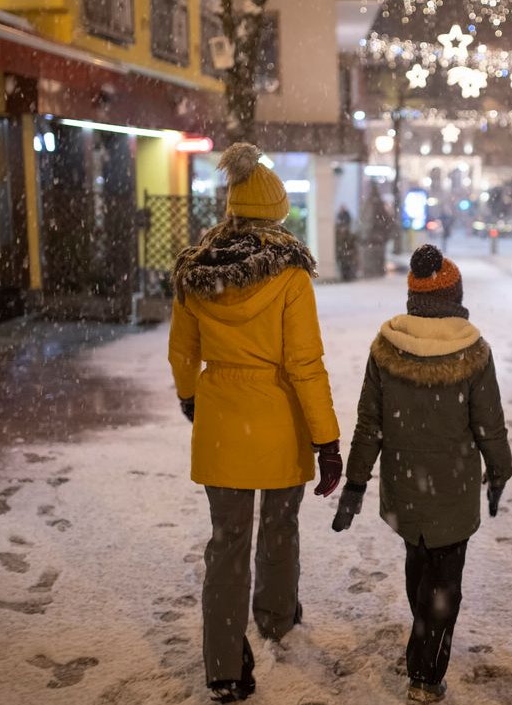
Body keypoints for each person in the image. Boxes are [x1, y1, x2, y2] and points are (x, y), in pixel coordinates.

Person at [168, 143, 343, 704]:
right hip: (279, 420)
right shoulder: (291, 276)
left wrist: (193, 399)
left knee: (227, 540)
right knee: (280, 524)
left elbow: (181, 353)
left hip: (222, 419)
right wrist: (327, 438)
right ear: (277, 214)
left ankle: (222, 663)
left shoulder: (196, 272)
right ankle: (273, 614)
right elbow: (304, 364)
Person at [332, 244, 512, 704]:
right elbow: (488, 422)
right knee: (445, 579)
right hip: (453, 489)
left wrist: (356, 482)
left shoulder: (386, 349)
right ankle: (427, 674)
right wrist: (499, 470)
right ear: (454, 297)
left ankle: (423, 644)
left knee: (418, 565)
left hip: (406, 489)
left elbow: (368, 424)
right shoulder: (473, 351)